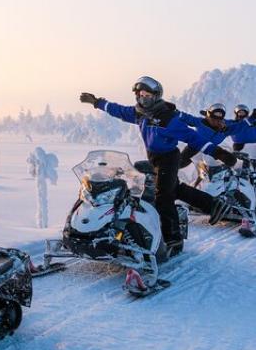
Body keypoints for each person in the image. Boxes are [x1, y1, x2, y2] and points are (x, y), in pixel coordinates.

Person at [79, 77, 234, 254]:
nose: (141, 98)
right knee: (175, 188)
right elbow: (119, 110)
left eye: (145, 94)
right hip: (155, 158)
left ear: (155, 96)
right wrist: (97, 102)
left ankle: (173, 239)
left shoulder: (168, 118)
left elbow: (194, 138)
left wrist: (220, 153)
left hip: (169, 158)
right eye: (138, 94)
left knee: (164, 197)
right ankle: (214, 205)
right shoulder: (140, 113)